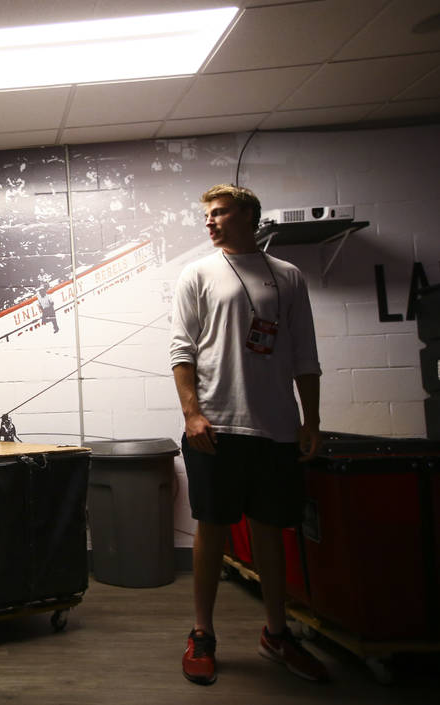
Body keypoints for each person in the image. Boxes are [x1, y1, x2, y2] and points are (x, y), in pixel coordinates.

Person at [170, 184, 328, 685]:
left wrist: (311, 419)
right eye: (208, 215)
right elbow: (182, 351)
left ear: (249, 216)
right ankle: (202, 634)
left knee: (270, 533)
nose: (210, 222)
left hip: (277, 429)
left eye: (220, 213)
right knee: (211, 531)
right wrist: (192, 414)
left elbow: (305, 353)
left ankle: (276, 634)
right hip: (215, 425)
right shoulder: (197, 273)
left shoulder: (289, 277)